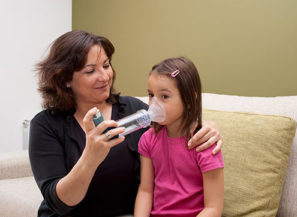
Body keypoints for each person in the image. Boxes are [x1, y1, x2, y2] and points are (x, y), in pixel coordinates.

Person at [29, 30, 223, 217]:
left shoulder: (133, 110)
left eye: (106, 65)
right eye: (90, 71)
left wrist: (207, 125)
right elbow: (59, 203)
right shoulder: (46, 125)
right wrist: (90, 157)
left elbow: (176, 122)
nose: (105, 76)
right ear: (65, 79)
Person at [134, 57, 224, 217]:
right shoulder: (148, 140)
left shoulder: (204, 143)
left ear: (189, 100)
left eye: (164, 96)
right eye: (150, 95)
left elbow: (213, 208)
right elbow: (145, 190)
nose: (154, 104)